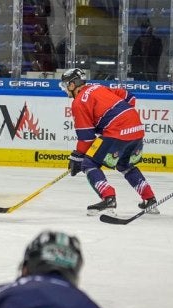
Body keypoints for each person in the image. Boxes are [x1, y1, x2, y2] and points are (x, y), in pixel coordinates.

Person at [60, 68, 159, 215]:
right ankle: (150, 199)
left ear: (72, 85)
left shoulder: (79, 102)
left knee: (88, 163)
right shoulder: (98, 87)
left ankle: (108, 199)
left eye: (65, 85)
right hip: (137, 128)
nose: (65, 89)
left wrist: (77, 157)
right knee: (124, 164)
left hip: (117, 131)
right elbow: (129, 97)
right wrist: (123, 118)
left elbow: (86, 138)